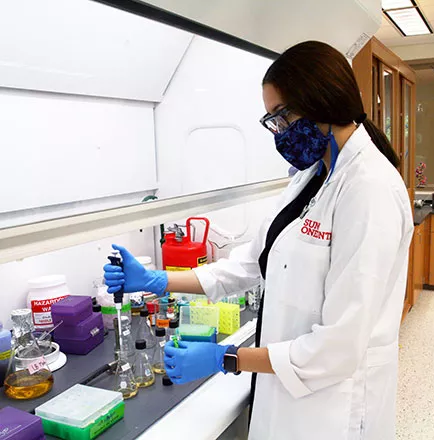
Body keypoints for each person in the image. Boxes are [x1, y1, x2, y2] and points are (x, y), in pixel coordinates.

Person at [104, 41, 413, 440]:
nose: (280, 133)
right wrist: (157, 281)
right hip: (288, 391)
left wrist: (226, 357)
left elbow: (338, 348)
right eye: (272, 121)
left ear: (323, 101)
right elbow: (250, 263)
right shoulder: (313, 176)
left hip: (337, 408)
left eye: (283, 117)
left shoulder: (369, 189)